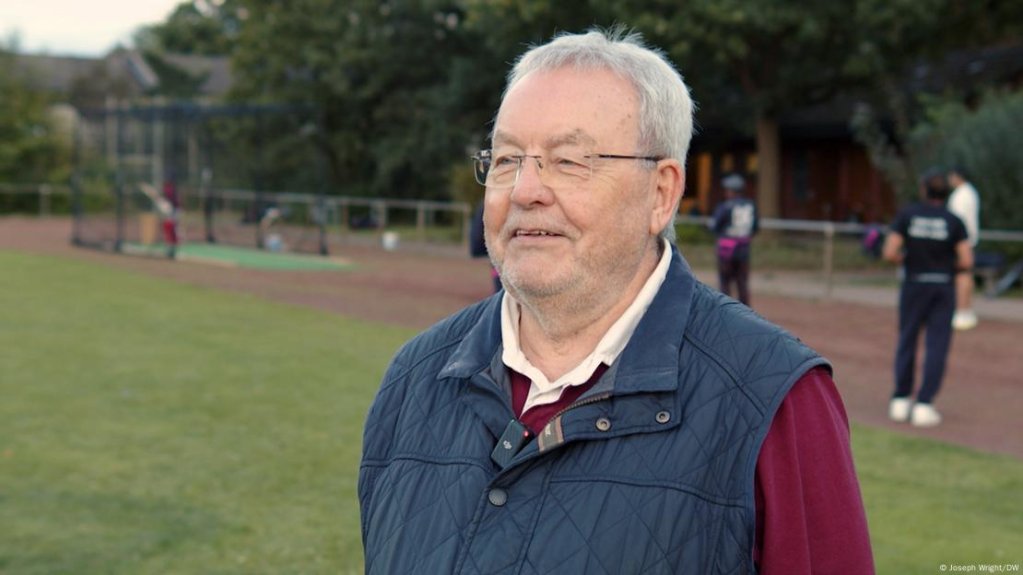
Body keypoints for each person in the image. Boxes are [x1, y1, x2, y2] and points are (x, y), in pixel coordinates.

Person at [359, 28, 874, 574]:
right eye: (508, 159)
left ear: (661, 193)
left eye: (569, 161)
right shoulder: (414, 379)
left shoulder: (775, 400)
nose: (525, 190)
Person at [882, 167, 973, 427]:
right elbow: (966, 260)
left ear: (923, 189)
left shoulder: (908, 214)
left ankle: (900, 399)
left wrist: (906, 259)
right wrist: (947, 266)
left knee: (907, 340)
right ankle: (924, 404)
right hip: (942, 287)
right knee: (937, 346)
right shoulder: (954, 221)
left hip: (914, 285)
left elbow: (889, 252)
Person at [711, 172, 759, 305]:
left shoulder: (725, 206)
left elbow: (714, 225)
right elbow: (755, 227)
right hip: (743, 249)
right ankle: (745, 311)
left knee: (725, 282)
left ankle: (726, 310)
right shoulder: (750, 205)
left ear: (731, 191)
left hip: (727, 250)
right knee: (742, 282)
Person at [947, 166, 980, 330]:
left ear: (957, 176)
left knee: (962, 275)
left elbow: (957, 220)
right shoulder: (969, 192)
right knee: (966, 274)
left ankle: (962, 311)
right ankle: (966, 309)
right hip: (966, 240)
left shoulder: (962, 195)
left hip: (961, 241)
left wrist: (954, 241)